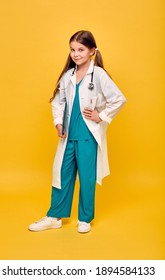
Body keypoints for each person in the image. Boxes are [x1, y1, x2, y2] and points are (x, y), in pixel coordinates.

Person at [28, 30, 126, 233]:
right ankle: (55, 216)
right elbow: (58, 102)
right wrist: (58, 123)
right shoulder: (68, 76)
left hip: (88, 135)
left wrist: (102, 116)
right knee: (61, 175)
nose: (76, 54)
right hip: (68, 136)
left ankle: (85, 218)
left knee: (87, 177)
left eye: (81, 49)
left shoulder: (98, 74)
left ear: (92, 51)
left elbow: (118, 98)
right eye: (72, 50)